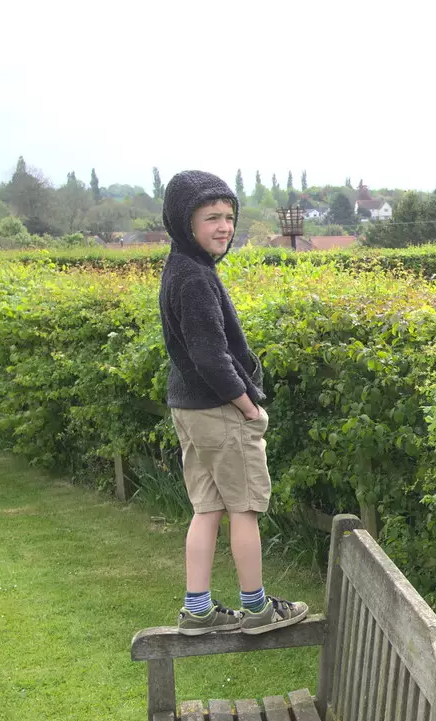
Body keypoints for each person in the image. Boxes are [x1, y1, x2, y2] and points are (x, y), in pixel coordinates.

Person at [159, 170, 307, 636]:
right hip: (218, 410)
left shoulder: (180, 268)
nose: (223, 226)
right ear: (186, 222)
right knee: (243, 509)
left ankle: (198, 609)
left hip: (188, 408)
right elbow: (211, 356)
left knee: (207, 509)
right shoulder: (196, 279)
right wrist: (247, 406)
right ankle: (257, 608)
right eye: (211, 218)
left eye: (228, 216)